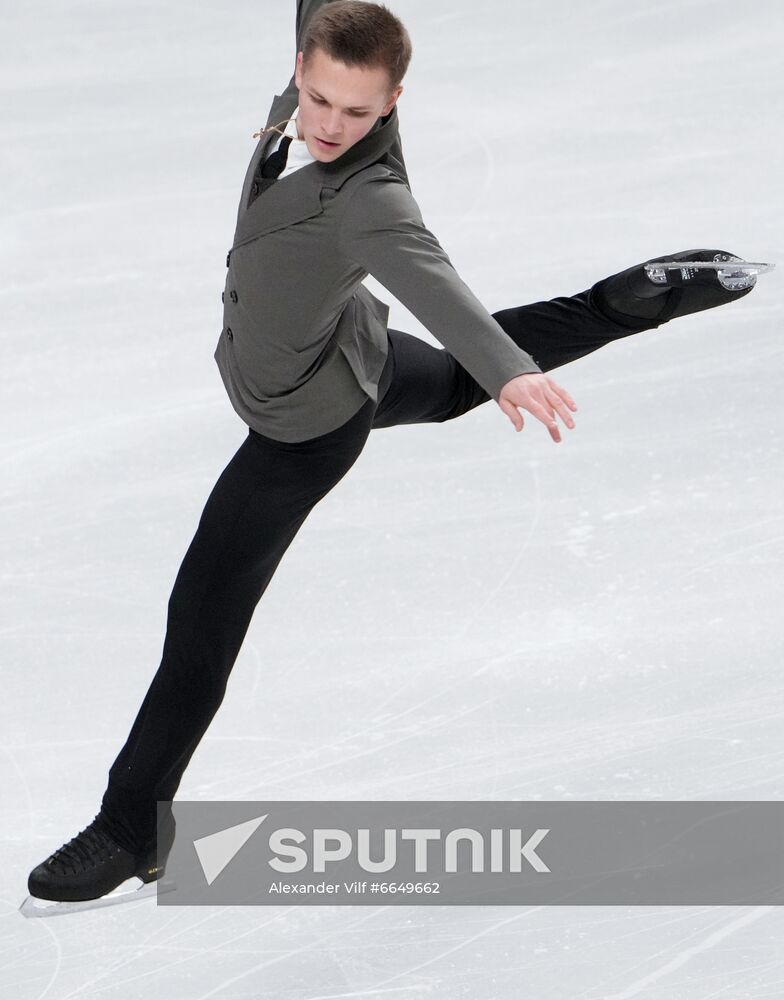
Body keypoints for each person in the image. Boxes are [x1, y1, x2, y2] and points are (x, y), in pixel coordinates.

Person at [26, 0, 753, 905]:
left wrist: (512, 372)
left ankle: (132, 826)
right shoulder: (316, 90)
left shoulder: (370, 198)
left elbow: (432, 278)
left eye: (358, 114)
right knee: (448, 387)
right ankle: (620, 303)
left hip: (301, 426)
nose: (331, 127)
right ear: (302, 67)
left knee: (201, 619)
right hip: (352, 350)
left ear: (393, 104)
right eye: (320, 101)